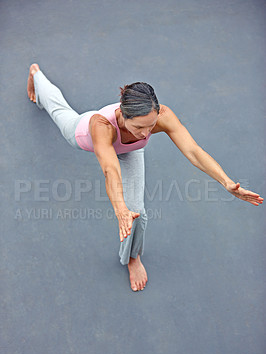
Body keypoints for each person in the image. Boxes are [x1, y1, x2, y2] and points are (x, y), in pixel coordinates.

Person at [27, 64, 264, 292]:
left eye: (150, 126)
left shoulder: (159, 116)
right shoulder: (101, 125)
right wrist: (120, 209)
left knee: (137, 211)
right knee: (60, 111)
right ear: (123, 115)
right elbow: (111, 170)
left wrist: (226, 182)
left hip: (129, 151)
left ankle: (133, 257)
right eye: (139, 128)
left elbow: (192, 150)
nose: (146, 133)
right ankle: (36, 74)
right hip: (82, 135)